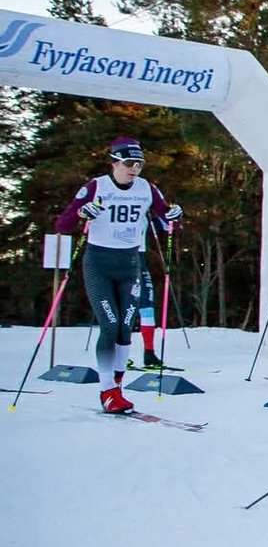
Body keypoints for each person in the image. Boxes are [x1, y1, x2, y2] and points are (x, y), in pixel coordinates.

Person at [55, 136, 183, 413]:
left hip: (130, 264)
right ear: (114, 162)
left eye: (139, 163)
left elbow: (167, 219)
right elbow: (62, 224)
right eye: (128, 163)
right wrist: (81, 212)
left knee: (126, 328)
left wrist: (175, 215)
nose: (134, 169)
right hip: (99, 264)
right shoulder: (96, 187)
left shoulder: (147, 189)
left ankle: (117, 388)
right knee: (110, 325)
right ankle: (106, 391)